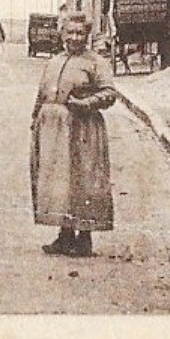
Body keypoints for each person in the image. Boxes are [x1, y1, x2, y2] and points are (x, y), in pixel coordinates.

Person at [30, 17, 117, 257]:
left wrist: (84, 103)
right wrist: (35, 118)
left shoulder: (96, 62)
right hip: (54, 131)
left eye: (80, 33)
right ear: (62, 34)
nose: (75, 38)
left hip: (84, 129)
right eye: (70, 32)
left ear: (87, 35)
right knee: (59, 180)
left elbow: (109, 93)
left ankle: (84, 238)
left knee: (83, 179)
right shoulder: (54, 61)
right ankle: (64, 234)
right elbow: (42, 92)